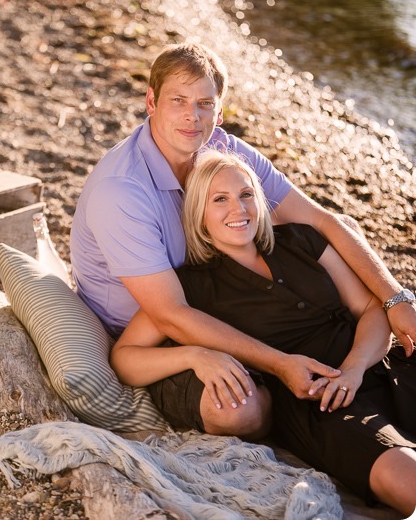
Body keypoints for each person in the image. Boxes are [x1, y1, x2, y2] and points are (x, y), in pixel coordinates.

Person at [70, 41, 416, 433]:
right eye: (178, 101)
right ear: (151, 101)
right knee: (237, 410)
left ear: (219, 111)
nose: (191, 117)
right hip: (153, 330)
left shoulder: (224, 149)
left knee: (339, 246)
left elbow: (325, 221)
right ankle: (292, 410)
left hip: (220, 295)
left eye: (204, 103)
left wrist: (395, 298)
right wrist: (276, 362)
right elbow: (171, 314)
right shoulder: (121, 191)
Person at [110, 149, 416, 516]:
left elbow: (370, 309)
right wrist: (193, 354)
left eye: (246, 194)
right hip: (323, 407)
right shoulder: (192, 288)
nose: (238, 209)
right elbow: (125, 356)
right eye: (219, 199)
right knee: (406, 480)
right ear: (198, 214)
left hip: (378, 365)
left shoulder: (301, 241)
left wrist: (354, 368)